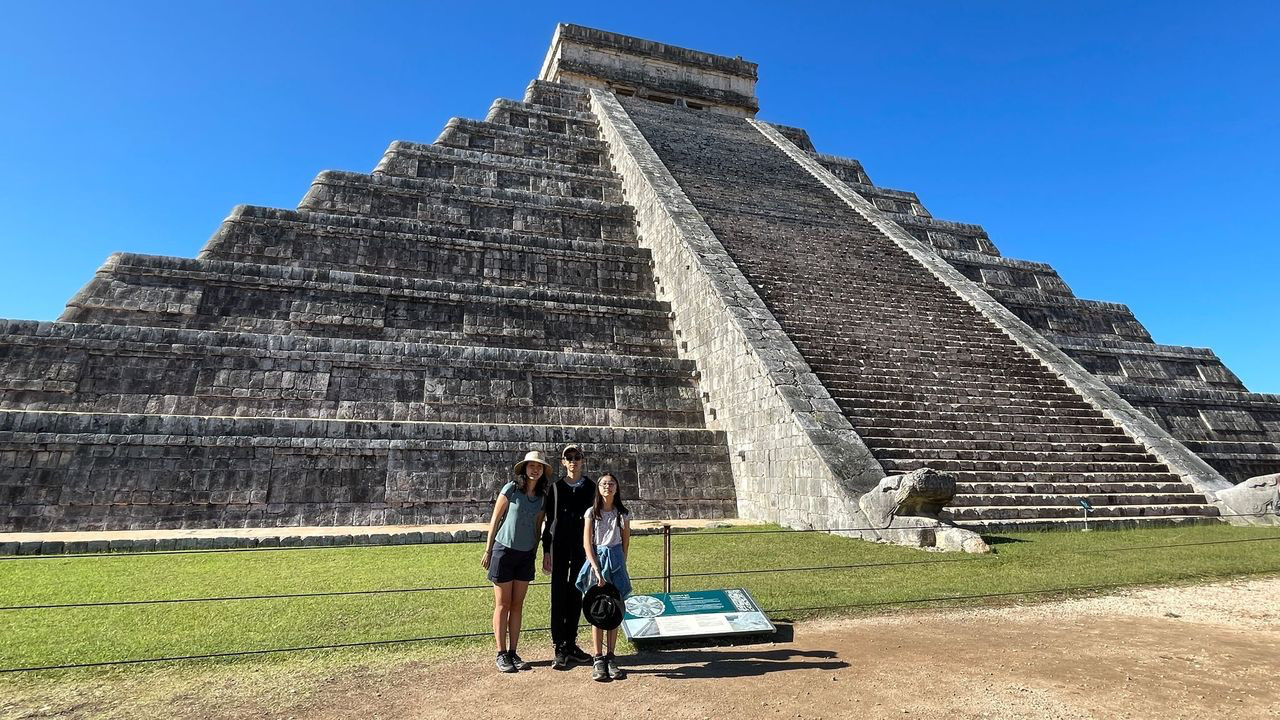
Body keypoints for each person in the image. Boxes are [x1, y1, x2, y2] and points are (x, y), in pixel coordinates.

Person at [482, 449, 550, 673]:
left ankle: (513, 651)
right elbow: (495, 518)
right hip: (504, 550)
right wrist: (488, 549)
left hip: (525, 553)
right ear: (524, 468)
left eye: (539, 466)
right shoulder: (511, 489)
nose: (535, 469)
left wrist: (536, 551)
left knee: (517, 605)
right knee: (503, 605)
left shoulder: (542, 497)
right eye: (532, 465)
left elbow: (538, 526)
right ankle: (501, 653)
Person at [541, 444, 597, 669]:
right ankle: (559, 645)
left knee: (576, 592)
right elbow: (549, 523)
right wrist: (546, 551)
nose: (573, 461)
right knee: (558, 594)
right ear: (563, 462)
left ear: (582, 460)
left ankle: (571, 641)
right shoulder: (555, 489)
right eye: (569, 457)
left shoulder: (592, 488)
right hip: (560, 547)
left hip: (582, 548)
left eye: (577, 457)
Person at [576, 472, 632, 681]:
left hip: (615, 562)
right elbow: (586, 543)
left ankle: (611, 656)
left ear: (616, 488)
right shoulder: (591, 513)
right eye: (603, 483)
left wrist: (620, 565)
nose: (607, 486)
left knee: (614, 610)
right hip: (597, 560)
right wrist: (596, 568)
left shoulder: (623, 514)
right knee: (597, 610)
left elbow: (625, 543)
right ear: (598, 488)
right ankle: (598, 657)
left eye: (611, 483)